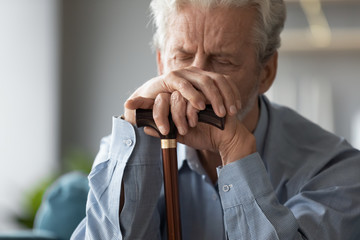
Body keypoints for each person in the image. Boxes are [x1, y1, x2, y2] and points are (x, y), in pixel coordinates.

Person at [71, 0, 360, 239]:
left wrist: (236, 153)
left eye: (223, 61)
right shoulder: (123, 149)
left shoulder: (336, 170)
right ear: (160, 63)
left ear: (266, 72)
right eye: (182, 57)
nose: (196, 81)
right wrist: (137, 142)